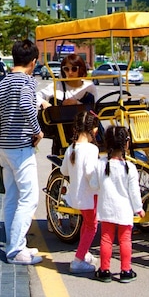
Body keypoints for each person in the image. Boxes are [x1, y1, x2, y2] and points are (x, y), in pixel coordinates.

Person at [0, 39, 44, 266]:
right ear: (33, 62)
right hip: (20, 147)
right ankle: (16, 250)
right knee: (29, 199)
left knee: (12, 197)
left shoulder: (1, 84)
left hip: (3, 148)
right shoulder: (27, 82)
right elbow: (28, 107)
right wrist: (37, 131)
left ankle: (14, 245)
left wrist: (6, 116)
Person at [92, 125, 143, 283]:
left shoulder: (101, 164)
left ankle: (104, 270)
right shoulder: (130, 168)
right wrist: (138, 208)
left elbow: (94, 185)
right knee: (125, 240)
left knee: (106, 239)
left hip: (106, 209)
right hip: (125, 211)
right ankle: (126, 270)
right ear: (126, 144)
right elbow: (134, 193)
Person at [59, 110, 101, 274]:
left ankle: (84, 252)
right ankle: (78, 260)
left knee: (87, 223)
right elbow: (91, 173)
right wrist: (100, 185)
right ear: (94, 130)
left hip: (76, 195)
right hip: (90, 195)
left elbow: (64, 171)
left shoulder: (71, 148)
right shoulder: (91, 149)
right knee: (92, 226)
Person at [37, 54, 97, 156]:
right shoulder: (58, 85)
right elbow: (36, 95)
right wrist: (44, 102)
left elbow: (95, 108)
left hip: (85, 133)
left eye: (74, 69)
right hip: (62, 134)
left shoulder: (89, 86)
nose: (70, 72)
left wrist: (77, 103)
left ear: (80, 69)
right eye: (66, 69)